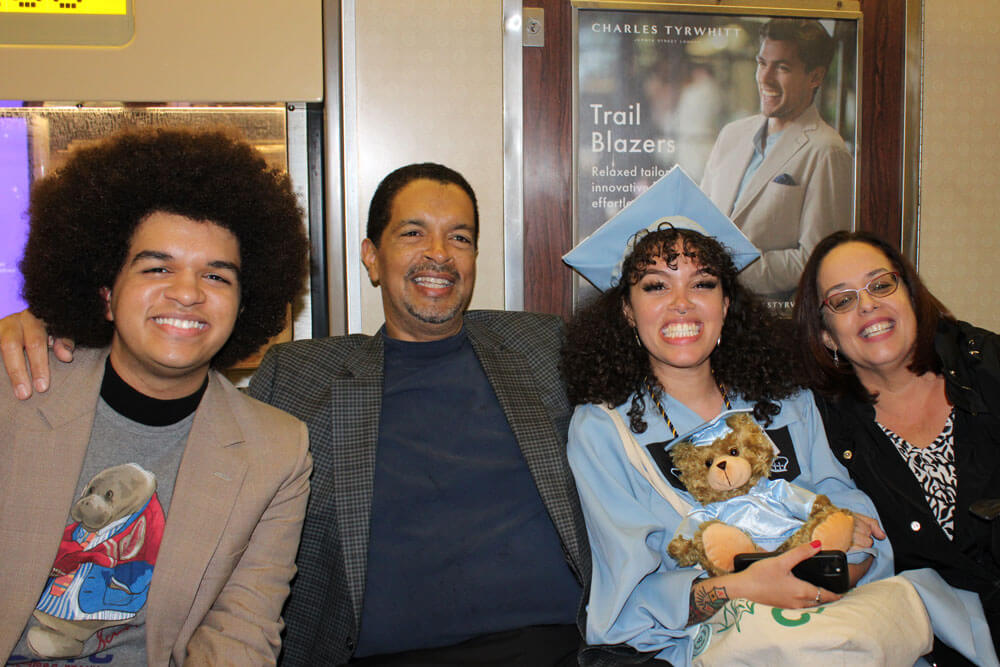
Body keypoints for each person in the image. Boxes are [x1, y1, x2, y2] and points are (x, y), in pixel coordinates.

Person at [0, 163, 591, 665]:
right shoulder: (300, 378)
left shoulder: (541, 346)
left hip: (557, 647)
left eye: (459, 238)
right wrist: (42, 321)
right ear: (371, 257)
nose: (439, 254)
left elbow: (660, 364)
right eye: (413, 233)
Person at [0, 129, 312, 664]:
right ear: (106, 292)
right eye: (158, 268)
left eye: (217, 275)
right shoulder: (18, 384)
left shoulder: (276, 452)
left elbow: (240, 634)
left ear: (243, 305)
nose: (187, 292)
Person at [559, 169, 891, 664]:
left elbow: (850, 514)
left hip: (835, 618)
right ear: (627, 311)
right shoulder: (603, 431)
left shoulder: (786, 400)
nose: (681, 304)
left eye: (704, 283)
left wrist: (833, 568)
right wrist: (739, 588)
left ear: (727, 303)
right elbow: (630, 593)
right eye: (655, 286)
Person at [792, 230, 1000, 662]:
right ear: (827, 335)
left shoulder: (989, 368)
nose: (868, 304)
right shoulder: (819, 426)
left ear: (910, 294)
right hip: (936, 648)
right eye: (842, 300)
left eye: (880, 285)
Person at [700, 18, 853, 301]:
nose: (765, 78)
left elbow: (817, 260)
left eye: (782, 68)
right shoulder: (731, 134)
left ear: (815, 77)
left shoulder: (827, 150)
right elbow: (700, 222)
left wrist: (727, 270)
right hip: (704, 308)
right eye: (761, 63)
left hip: (767, 320)